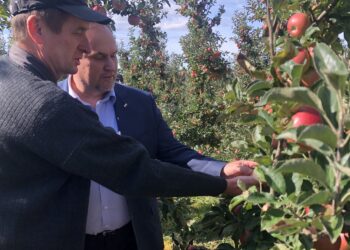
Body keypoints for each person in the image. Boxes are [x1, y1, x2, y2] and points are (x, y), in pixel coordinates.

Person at [0, 1, 258, 249]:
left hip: (131, 239)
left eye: (114, 55)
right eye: (78, 32)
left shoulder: (6, 79)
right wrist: (222, 186)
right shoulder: (47, 104)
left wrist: (221, 170)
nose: (83, 45)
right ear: (38, 29)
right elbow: (133, 169)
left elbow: (172, 153)